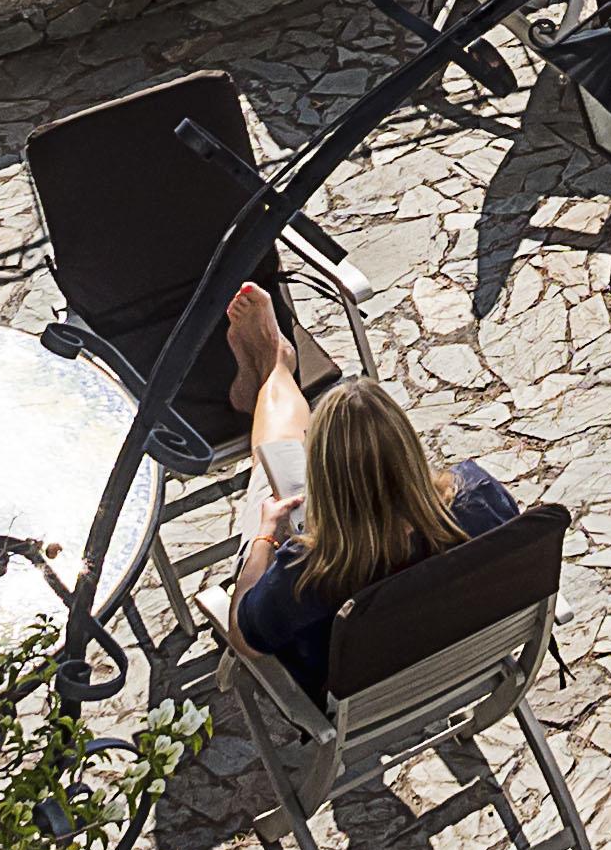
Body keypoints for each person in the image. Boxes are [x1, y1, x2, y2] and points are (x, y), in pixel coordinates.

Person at [217, 279, 517, 700]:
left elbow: (245, 637)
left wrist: (266, 535)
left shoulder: (304, 575)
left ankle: (274, 368)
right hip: (464, 660)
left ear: (325, 477)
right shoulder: (479, 497)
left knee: (267, 471)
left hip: (360, 699)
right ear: (408, 447)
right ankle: (272, 370)